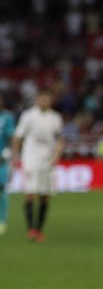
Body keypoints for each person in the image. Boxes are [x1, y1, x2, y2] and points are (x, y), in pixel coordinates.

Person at [9, 89, 65, 243]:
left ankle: (39, 229)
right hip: (31, 158)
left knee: (45, 196)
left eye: (47, 99)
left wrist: (57, 156)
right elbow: (18, 137)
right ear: (37, 99)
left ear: (51, 100)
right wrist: (15, 156)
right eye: (41, 99)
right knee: (30, 193)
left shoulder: (55, 118)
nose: (44, 101)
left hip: (47, 159)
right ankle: (31, 229)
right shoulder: (28, 115)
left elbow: (60, 139)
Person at [0, 101, 15, 235]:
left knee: (1, 188)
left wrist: (8, 153)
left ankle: (2, 220)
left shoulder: (7, 117)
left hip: (1, 159)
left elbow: (11, 138)